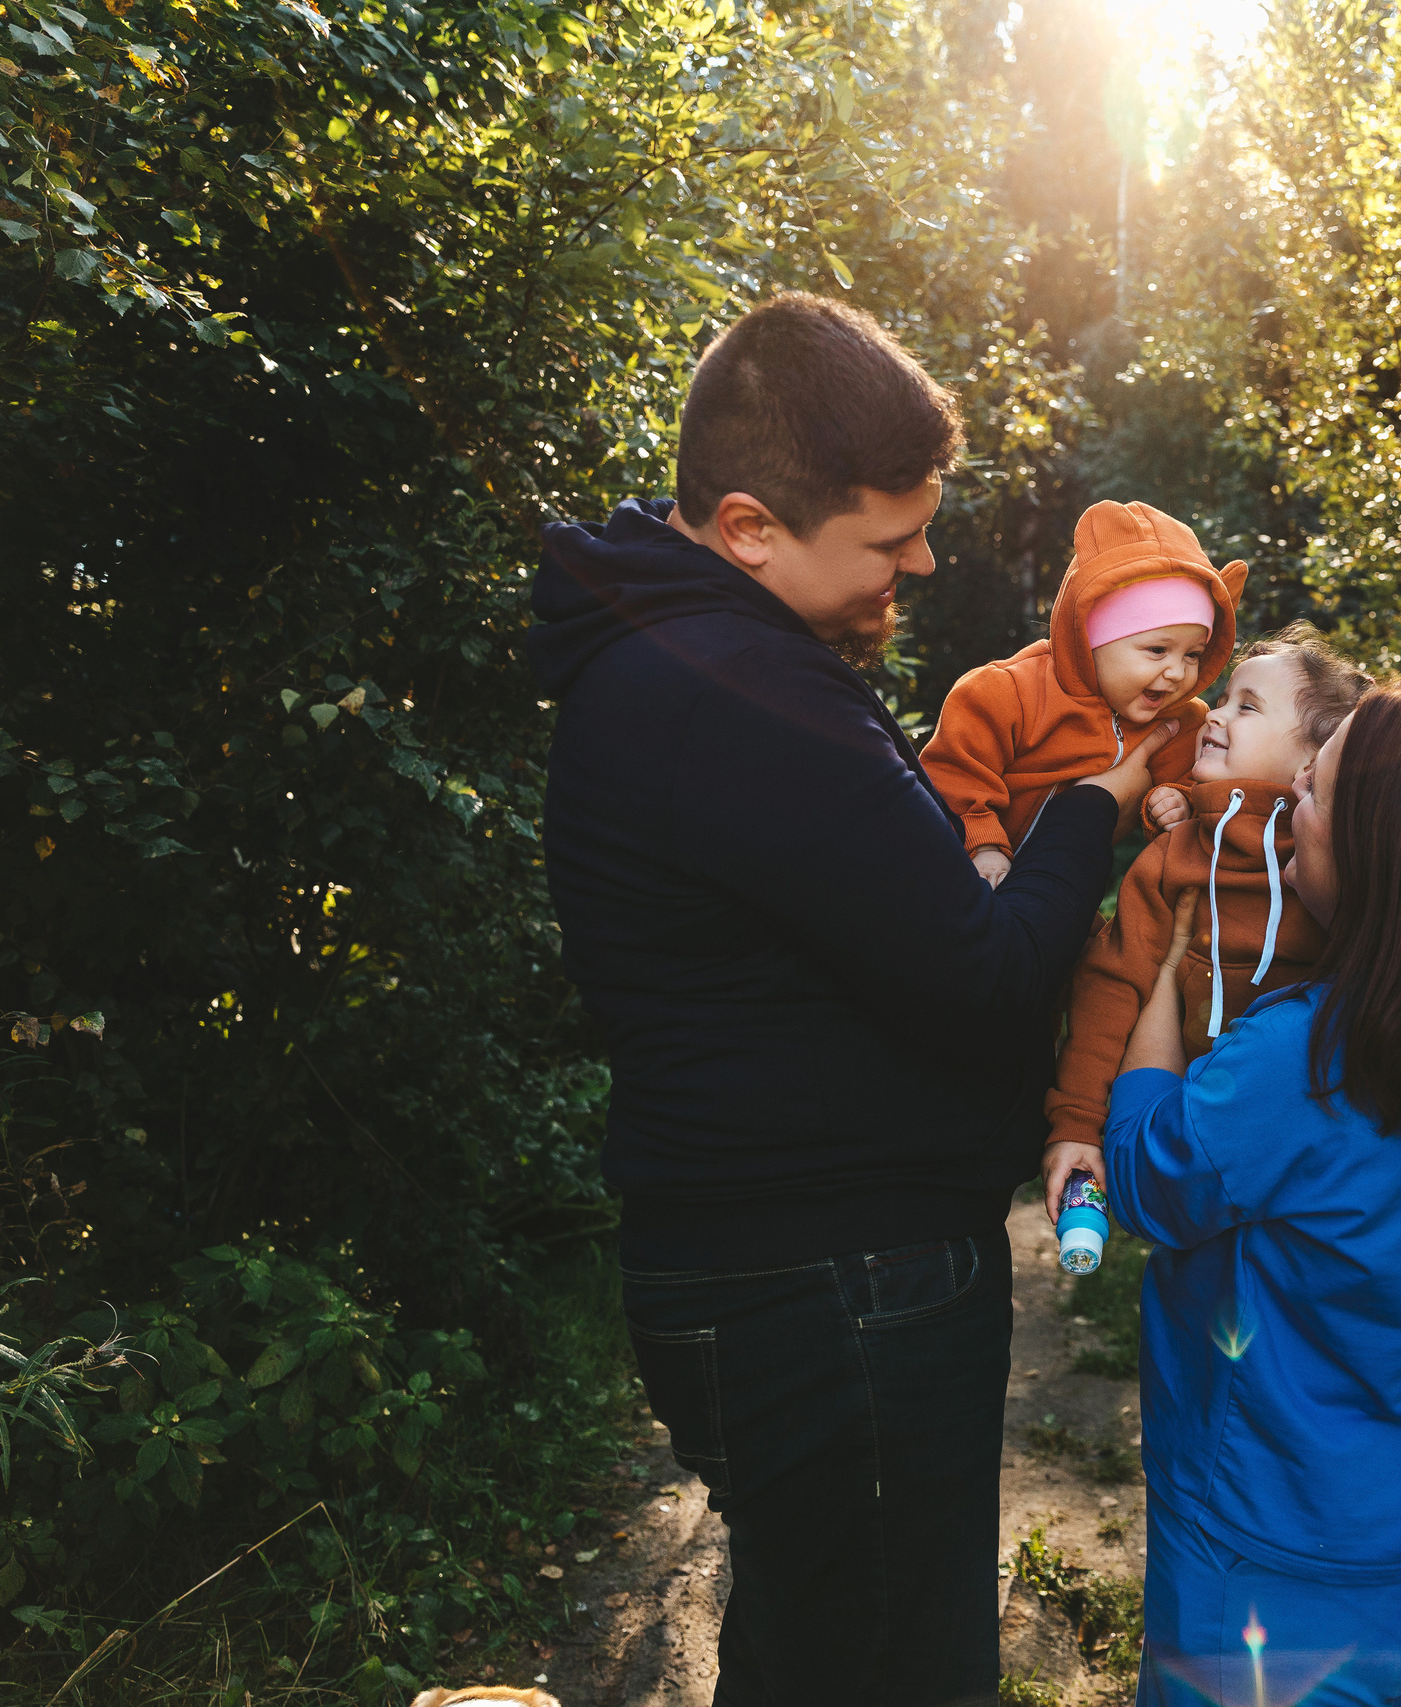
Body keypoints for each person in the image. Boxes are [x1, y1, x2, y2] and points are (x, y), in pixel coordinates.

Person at [525, 291, 1171, 1707]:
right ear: (752, 525)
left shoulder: (672, 658)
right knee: (892, 1665)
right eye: (889, 538)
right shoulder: (742, 691)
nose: (924, 560)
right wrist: (1087, 812)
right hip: (833, 1293)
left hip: (778, 1275)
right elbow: (988, 981)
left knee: (817, 1646)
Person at [1097, 676, 1401, 1707]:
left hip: (1263, 1532)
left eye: (1314, 792)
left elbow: (1147, 1182)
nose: (1289, 806)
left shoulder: (1300, 1060)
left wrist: (1162, 980)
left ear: (1384, 855)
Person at [1039, 624, 1372, 1208]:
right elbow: (1113, 983)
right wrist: (1076, 1120)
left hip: (1310, 1122)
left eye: (1247, 707)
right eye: (1221, 699)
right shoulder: (1173, 856)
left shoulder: (1336, 857)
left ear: (1316, 758)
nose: (1213, 716)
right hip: (1186, 1118)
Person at [920, 501, 1247, 886]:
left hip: (1065, 885)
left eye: (1193, 655)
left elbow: (1203, 785)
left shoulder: (1180, 721)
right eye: (1157, 650)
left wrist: (1177, 798)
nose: (1177, 672)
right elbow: (954, 773)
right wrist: (982, 846)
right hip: (962, 872)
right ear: (1090, 637)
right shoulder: (1005, 693)